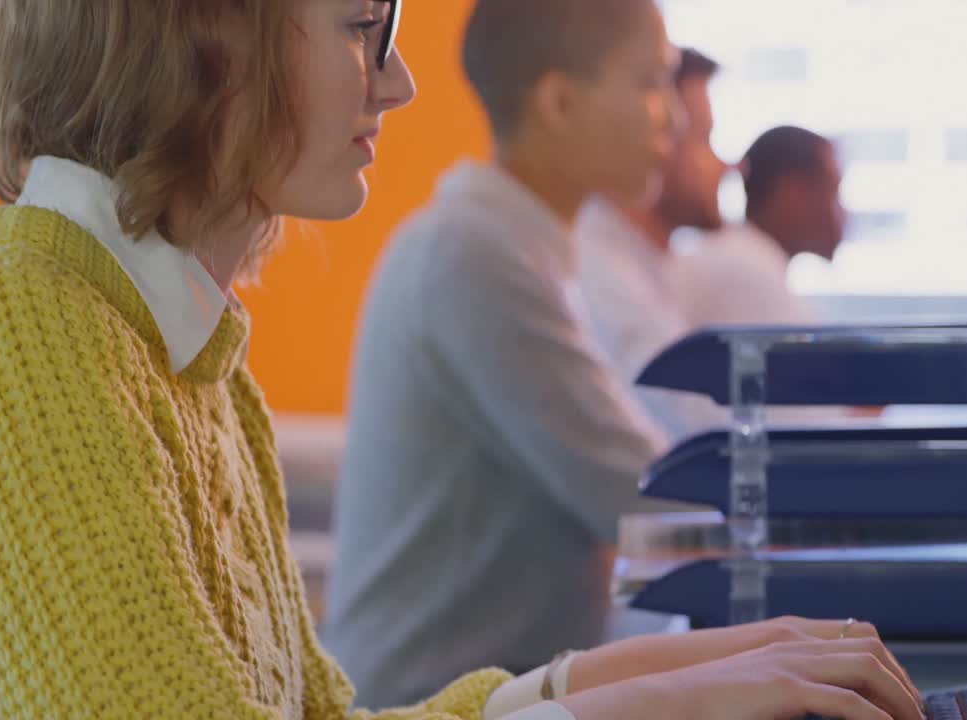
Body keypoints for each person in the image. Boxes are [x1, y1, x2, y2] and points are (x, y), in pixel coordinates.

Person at [0, 1, 920, 719]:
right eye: (366, 26)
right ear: (204, 32)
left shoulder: (190, 357)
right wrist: (647, 702)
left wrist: (669, 678)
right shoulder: (7, 333)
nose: (398, 81)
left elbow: (324, 715)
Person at [326, 1, 919, 718]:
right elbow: (644, 499)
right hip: (427, 704)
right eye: (650, 82)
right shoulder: (476, 255)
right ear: (560, 103)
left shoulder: (533, 248)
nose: (674, 118)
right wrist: (891, 522)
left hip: (513, 688)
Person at [575, 48, 730, 442]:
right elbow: (703, 434)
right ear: (657, 137)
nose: (724, 166)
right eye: (704, 139)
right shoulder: (602, 277)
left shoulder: (647, 268)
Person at [675, 125, 846, 330]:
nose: (843, 213)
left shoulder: (747, 256)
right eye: (832, 191)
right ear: (791, 193)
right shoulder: (745, 269)